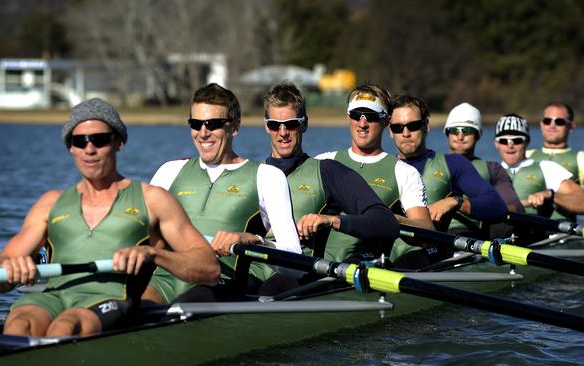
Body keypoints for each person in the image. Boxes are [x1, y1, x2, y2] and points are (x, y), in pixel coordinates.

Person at [0, 98, 220, 337]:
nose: (89, 149)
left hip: (110, 299)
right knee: (19, 325)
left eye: (99, 140)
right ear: (71, 147)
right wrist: (8, 269)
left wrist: (154, 254)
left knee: (66, 326)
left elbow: (209, 269)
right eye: (80, 141)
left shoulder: (153, 200)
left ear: (118, 142)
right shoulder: (50, 203)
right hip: (53, 296)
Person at [143, 83, 301, 303]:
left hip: (220, 281)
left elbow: (294, 263)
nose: (203, 133)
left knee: (186, 305)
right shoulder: (169, 171)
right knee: (133, 308)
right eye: (196, 124)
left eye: (213, 124)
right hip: (164, 280)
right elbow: (140, 237)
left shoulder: (267, 176)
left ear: (234, 126)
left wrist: (252, 239)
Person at [262, 81, 399, 265]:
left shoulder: (328, 171)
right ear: (266, 126)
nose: (283, 132)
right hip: (252, 271)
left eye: (292, 124)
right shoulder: (254, 174)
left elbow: (386, 223)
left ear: (305, 124)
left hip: (295, 278)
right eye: (274, 125)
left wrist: (330, 220)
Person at [315, 83, 437, 270]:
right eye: (357, 115)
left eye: (371, 117)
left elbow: (427, 231)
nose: (362, 124)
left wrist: (391, 220)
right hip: (318, 265)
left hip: (366, 265)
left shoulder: (404, 172)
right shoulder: (323, 161)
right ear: (348, 117)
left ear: (386, 121)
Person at [388, 94, 507, 240]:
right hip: (386, 254)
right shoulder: (382, 168)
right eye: (398, 128)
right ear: (390, 131)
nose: (406, 133)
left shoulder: (453, 164)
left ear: (426, 126)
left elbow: (497, 207)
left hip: (431, 251)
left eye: (413, 126)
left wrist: (455, 202)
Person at [493, 113, 584, 226]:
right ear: (496, 144)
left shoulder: (547, 168)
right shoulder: (488, 171)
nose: (510, 145)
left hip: (536, 235)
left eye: (517, 140)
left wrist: (550, 196)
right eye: (503, 141)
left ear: (526, 142)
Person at [444, 102, 524, 238]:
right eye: (455, 130)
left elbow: (516, 207)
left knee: (507, 227)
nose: (460, 136)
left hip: (475, 235)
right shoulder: (432, 163)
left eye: (467, 131)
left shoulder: (493, 169)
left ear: (478, 135)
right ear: (447, 133)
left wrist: (486, 208)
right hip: (437, 232)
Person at [527, 102, 584, 213]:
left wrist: (572, 193)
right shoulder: (526, 155)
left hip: (563, 226)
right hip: (526, 222)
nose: (552, 125)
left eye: (559, 122)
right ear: (541, 124)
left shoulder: (583, 159)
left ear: (571, 126)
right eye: (547, 121)